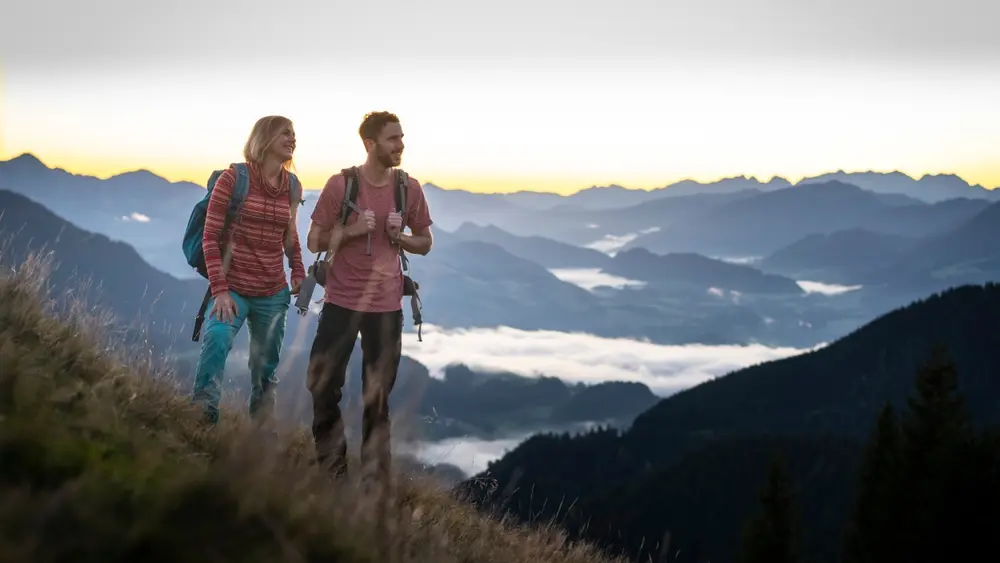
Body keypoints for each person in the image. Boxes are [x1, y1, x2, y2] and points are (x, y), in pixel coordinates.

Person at [305, 111, 434, 480]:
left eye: (402, 138)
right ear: (370, 144)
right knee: (322, 385)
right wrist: (351, 230)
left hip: (386, 308)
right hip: (340, 303)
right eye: (393, 139)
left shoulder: (408, 189)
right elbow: (314, 240)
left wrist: (400, 239)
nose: (401, 145)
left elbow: (425, 243)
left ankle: (375, 487)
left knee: (377, 401)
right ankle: (333, 472)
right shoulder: (340, 185)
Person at [190, 115, 306, 424]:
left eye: (294, 135)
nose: (293, 139)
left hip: (272, 293)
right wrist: (220, 290)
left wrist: (298, 272)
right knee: (216, 340)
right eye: (286, 133)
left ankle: (261, 437)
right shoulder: (233, 179)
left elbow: (290, 236)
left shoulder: (292, 185)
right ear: (265, 138)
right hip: (232, 290)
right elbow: (210, 238)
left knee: (265, 370)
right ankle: (202, 422)